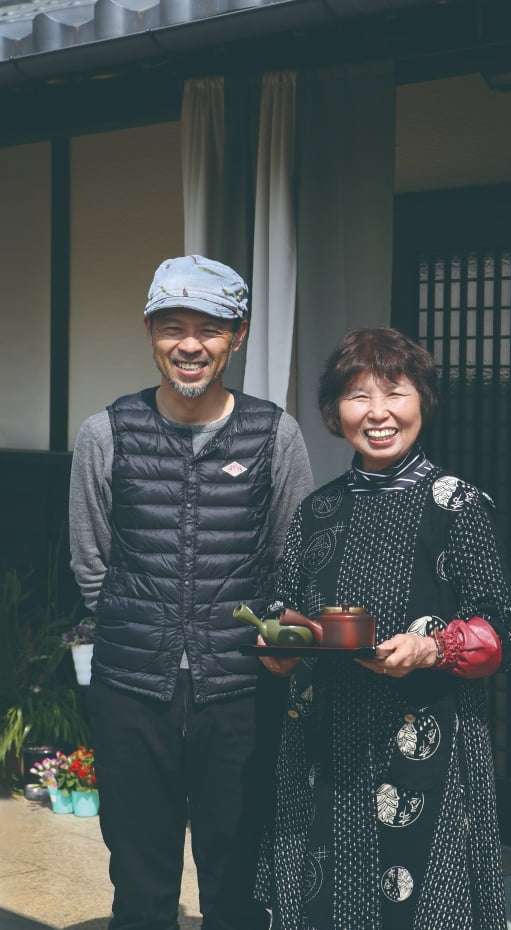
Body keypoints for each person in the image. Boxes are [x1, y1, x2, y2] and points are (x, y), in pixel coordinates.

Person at [255, 327, 511, 930]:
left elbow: (508, 631)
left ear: (422, 402)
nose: (378, 413)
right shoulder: (317, 510)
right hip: (324, 748)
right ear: (335, 412)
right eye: (357, 396)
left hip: (422, 746)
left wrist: (433, 646)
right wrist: (277, 645)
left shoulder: (455, 504)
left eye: (395, 393)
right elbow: (282, 609)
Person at [68, 254, 314, 930]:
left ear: (237, 335)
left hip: (240, 691)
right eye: (172, 326)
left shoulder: (275, 434)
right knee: (140, 887)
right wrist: (137, 631)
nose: (189, 345)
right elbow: (92, 562)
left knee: (236, 888)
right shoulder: (106, 433)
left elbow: (290, 560)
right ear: (149, 332)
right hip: (131, 689)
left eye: (210, 328)